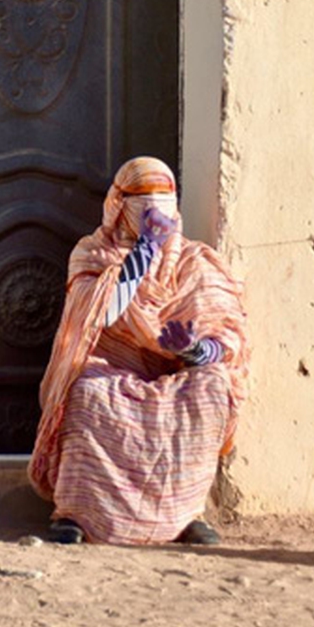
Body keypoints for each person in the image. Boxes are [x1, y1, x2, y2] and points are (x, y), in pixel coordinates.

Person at [29, 157, 250, 545]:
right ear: (119, 204)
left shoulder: (196, 262)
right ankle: (78, 515)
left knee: (213, 386)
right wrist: (142, 253)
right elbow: (102, 313)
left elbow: (228, 341)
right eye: (142, 205)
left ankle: (186, 515)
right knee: (83, 393)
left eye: (162, 206)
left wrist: (195, 350)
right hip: (111, 369)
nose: (153, 216)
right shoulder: (91, 254)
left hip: (175, 374)